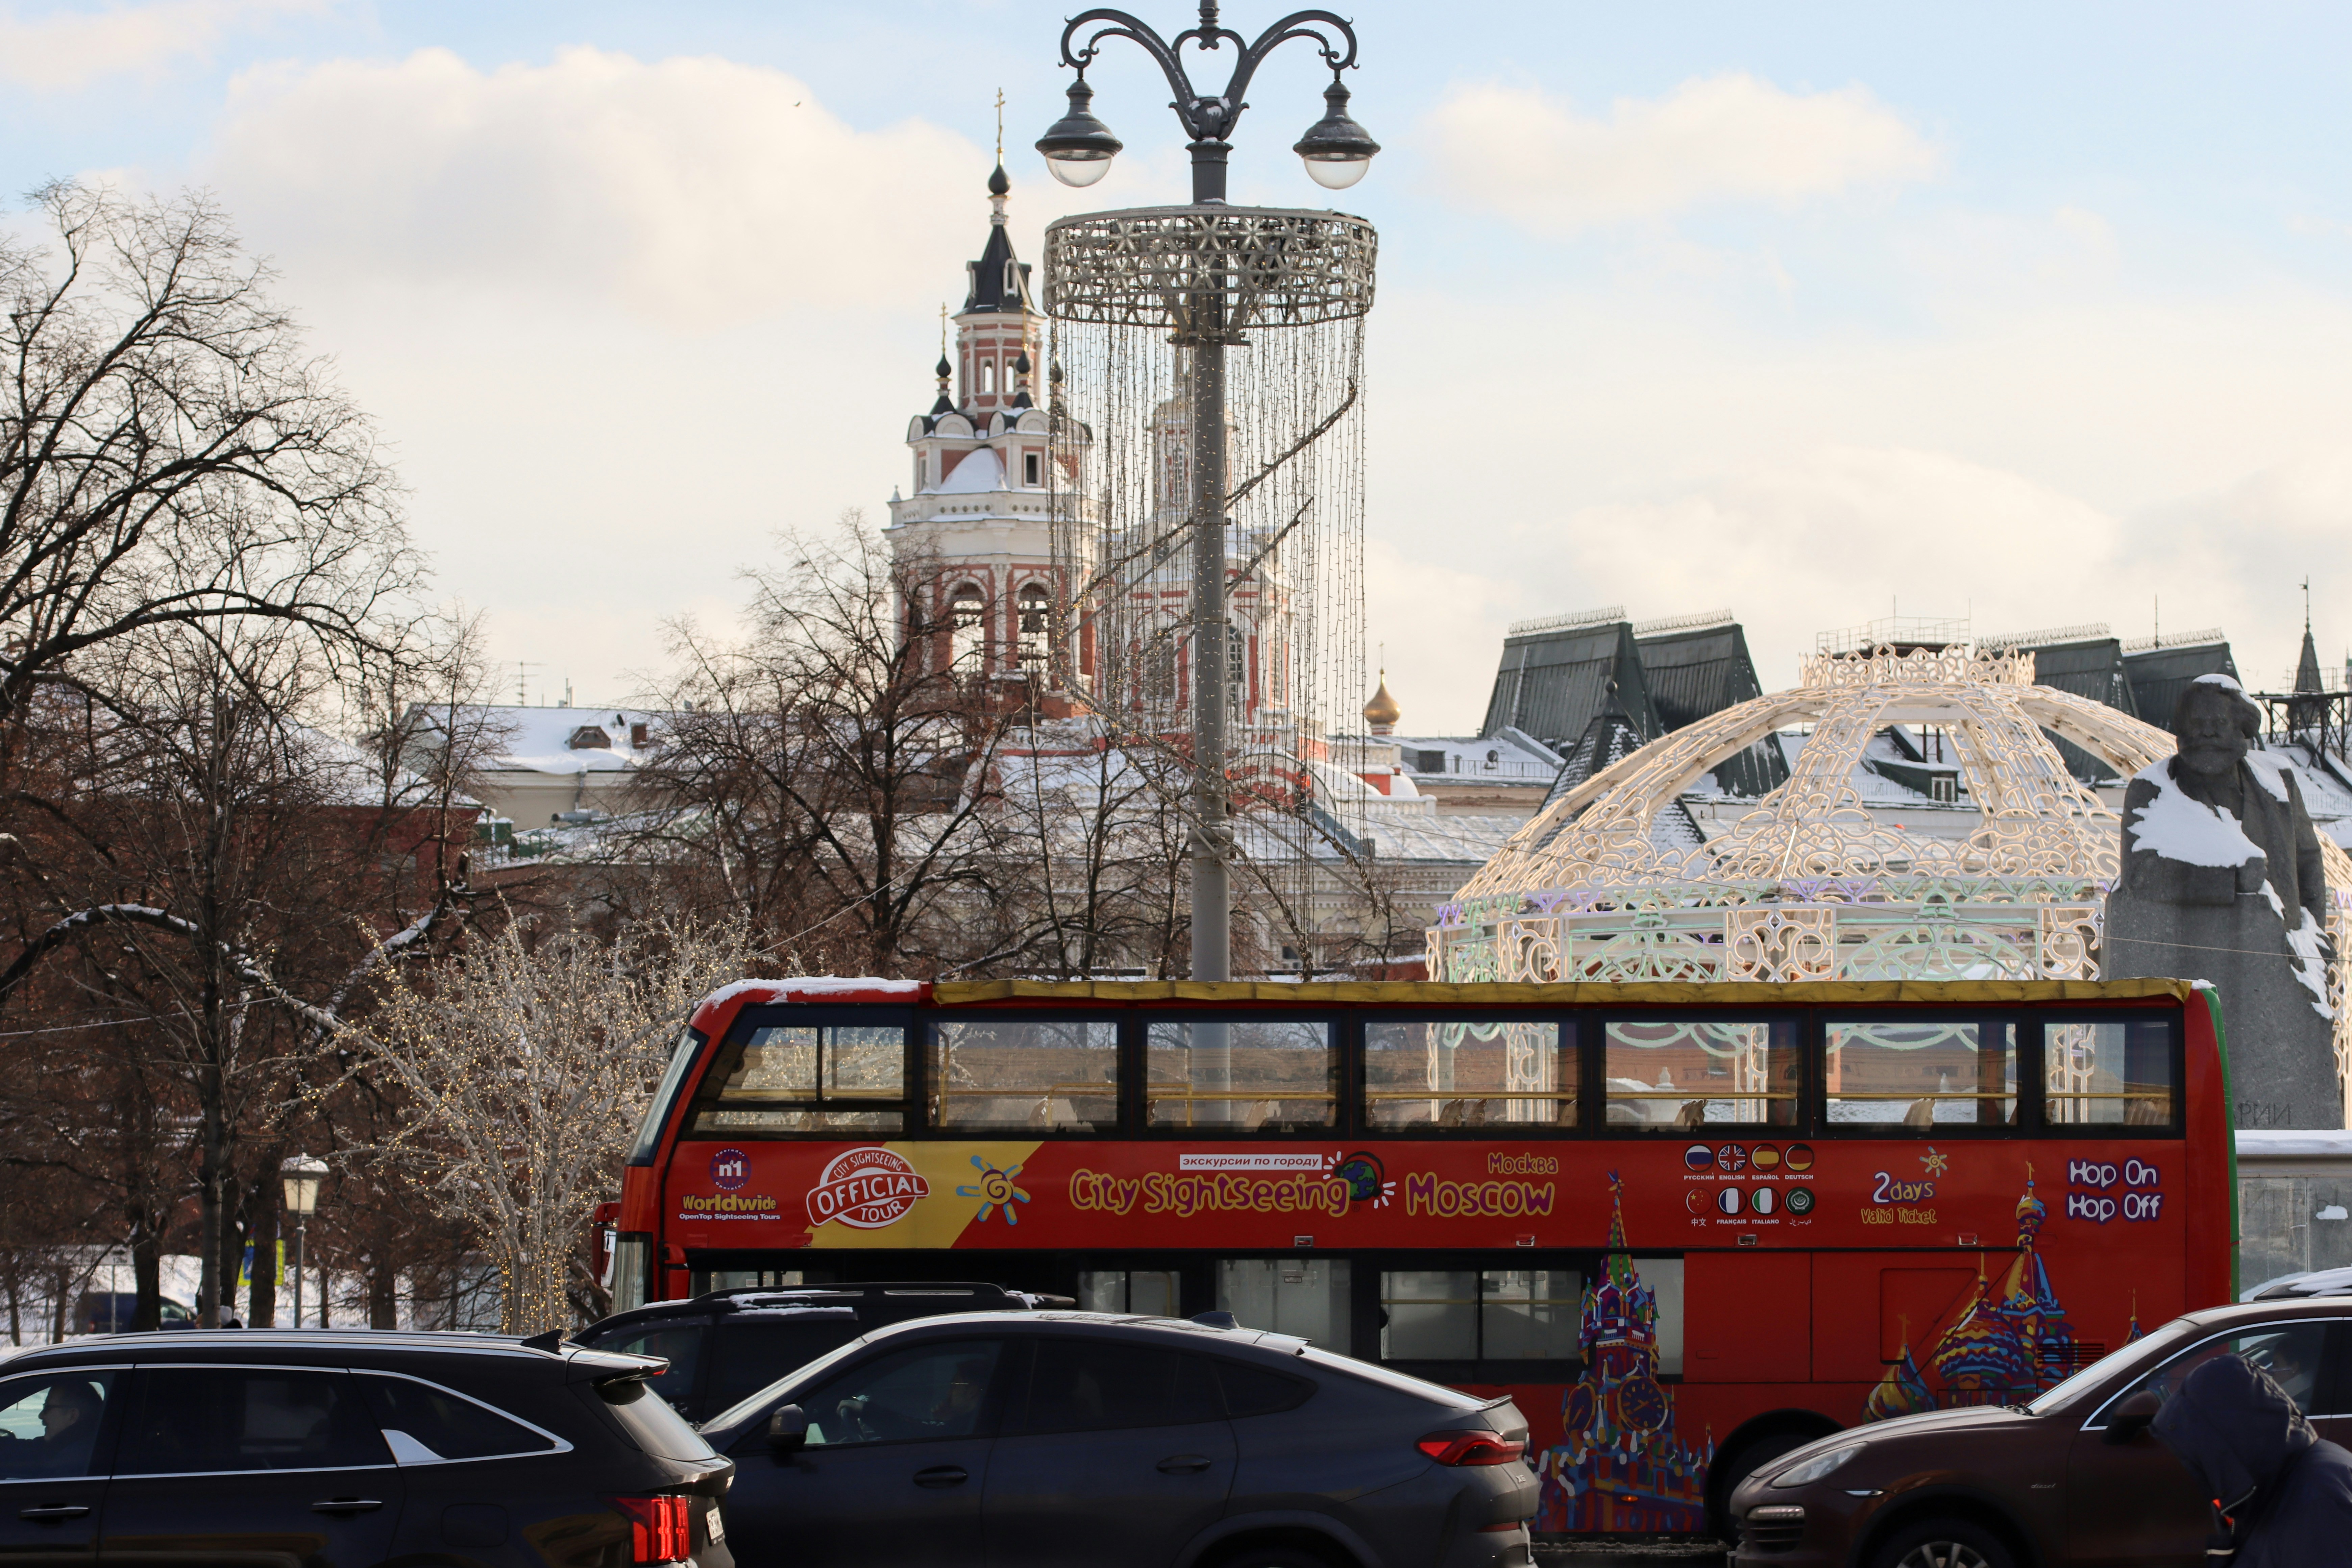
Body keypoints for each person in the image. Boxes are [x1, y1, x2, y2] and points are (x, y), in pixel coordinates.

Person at [2152, 1352, 2352, 1564]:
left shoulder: (2318, 1501)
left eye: (2199, 1456)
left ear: (2224, 1440)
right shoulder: (2268, 1481)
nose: (2199, 1471)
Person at [0, 1378, 105, 1479]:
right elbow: (31, 1450)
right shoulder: (62, 1447)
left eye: (47, 1408)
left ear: (72, 1415)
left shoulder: (72, 1462)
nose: (41, 1416)